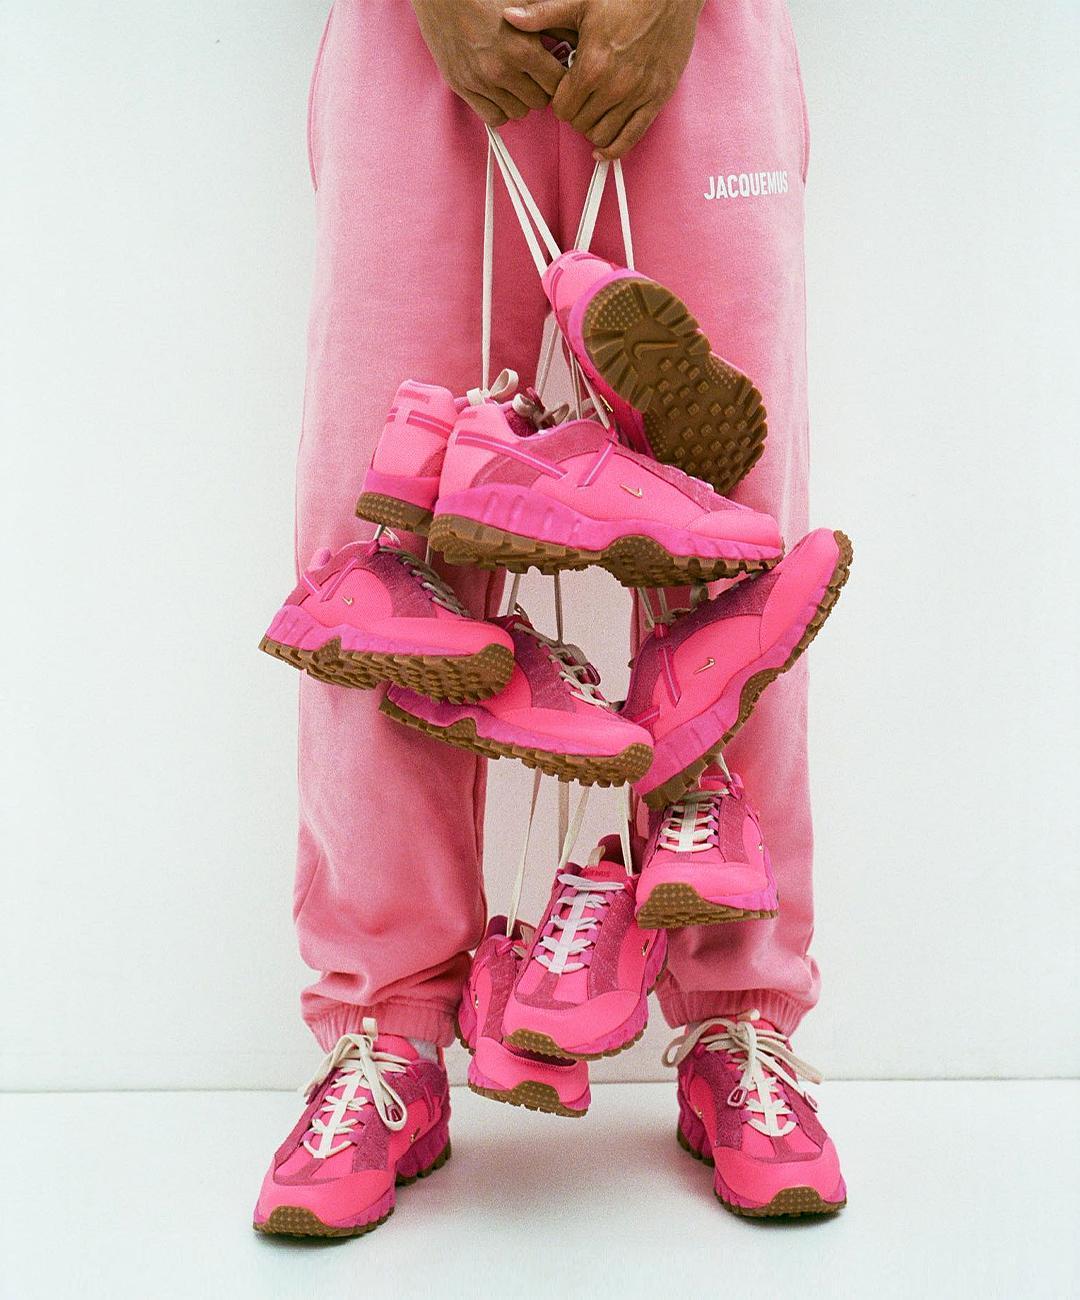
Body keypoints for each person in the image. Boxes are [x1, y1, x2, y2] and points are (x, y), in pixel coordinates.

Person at [252, 0, 847, 1237]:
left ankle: (738, 1024)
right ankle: (388, 1034)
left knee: (733, 540)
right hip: (416, 37)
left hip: (699, 35)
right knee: (387, 550)